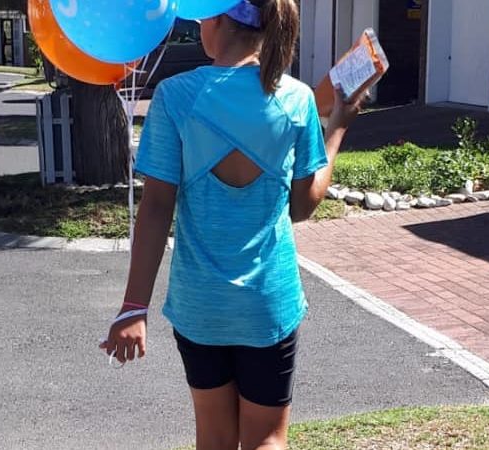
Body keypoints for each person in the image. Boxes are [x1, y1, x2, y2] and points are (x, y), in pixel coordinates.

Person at [100, 0, 364, 448]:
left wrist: (133, 308)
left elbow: (157, 208)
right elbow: (302, 207)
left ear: (219, 22)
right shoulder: (296, 99)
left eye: (203, 17)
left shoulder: (176, 96)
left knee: (214, 437)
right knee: (267, 439)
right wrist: (337, 127)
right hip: (268, 304)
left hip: (200, 305)